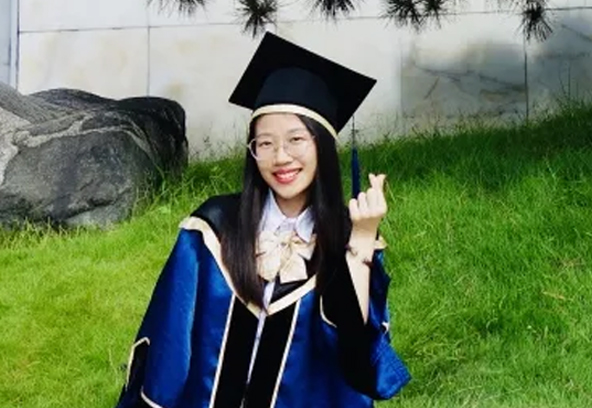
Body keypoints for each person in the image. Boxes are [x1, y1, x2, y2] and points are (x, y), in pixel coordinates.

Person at [115, 32, 411, 408]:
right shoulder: (211, 231)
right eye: (265, 143)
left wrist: (362, 243)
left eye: (296, 140)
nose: (280, 157)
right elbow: (168, 341)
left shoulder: (347, 239)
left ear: (322, 145)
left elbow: (358, 366)